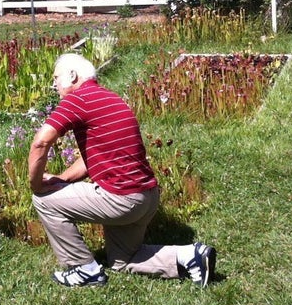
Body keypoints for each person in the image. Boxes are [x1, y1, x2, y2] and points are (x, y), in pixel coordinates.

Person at [27, 52, 216, 288]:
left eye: (56, 78)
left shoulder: (78, 99)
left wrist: (36, 185)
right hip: (147, 197)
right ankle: (191, 256)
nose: (53, 84)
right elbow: (95, 158)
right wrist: (62, 178)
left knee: (43, 200)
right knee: (122, 260)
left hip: (122, 199)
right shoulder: (109, 97)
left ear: (73, 76)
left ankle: (84, 269)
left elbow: (40, 142)